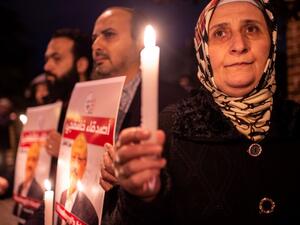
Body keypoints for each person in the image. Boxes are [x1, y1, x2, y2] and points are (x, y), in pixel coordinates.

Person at [109, 0, 300, 224]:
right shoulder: (171, 126)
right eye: (220, 33)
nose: (239, 45)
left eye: (251, 29)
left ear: (272, 42)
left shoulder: (295, 121)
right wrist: (139, 196)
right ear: (204, 50)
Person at [92, 7, 187, 223]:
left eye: (108, 34)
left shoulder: (174, 101)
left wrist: (133, 175)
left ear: (139, 42)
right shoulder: (87, 101)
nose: (96, 45)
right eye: (94, 37)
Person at [57, 133, 98, 225]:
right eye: (73, 157)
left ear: (85, 164)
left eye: (79, 159)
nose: (75, 165)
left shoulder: (89, 211)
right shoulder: (62, 195)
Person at [13, 142, 44, 224]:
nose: (30, 164)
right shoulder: (20, 186)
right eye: (29, 159)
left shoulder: (39, 190)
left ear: (37, 163)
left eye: (33, 160)